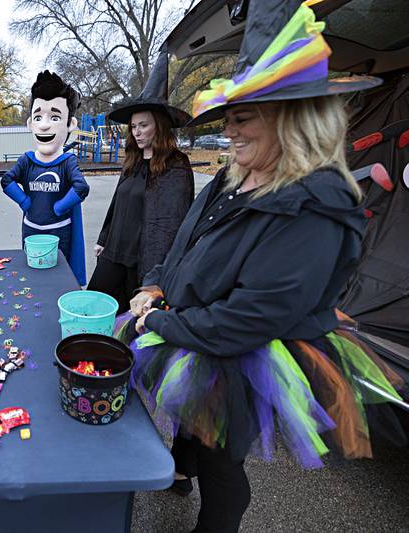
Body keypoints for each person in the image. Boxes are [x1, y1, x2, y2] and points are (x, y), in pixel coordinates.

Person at [127, 2, 406, 531]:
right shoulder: (235, 175)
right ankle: (178, 469)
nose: (229, 130)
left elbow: (251, 318)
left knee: (221, 459)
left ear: (293, 115)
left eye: (243, 116)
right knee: (193, 427)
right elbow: (189, 237)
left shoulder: (318, 204)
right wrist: (157, 283)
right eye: (229, 116)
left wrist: (160, 323)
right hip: (192, 323)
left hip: (239, 353)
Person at [88, 50, 194, 313]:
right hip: (114, 250)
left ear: (158, 126)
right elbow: (117, 201)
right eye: (134, 127)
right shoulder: (132, 160)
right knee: (93, 304)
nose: (137, 132)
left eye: (143, 125)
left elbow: (174, 222)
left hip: (143, 259)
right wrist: (103, 238)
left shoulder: (176, 165)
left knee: (129, 318)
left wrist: (159, 271)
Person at [1, 70, 89, 285]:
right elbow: (6, 181)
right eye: (38, 117)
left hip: (60, 234)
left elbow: (81, 187)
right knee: (32, 279)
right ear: (31, 123)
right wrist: (24, 202)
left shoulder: (67, 161)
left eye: (55, 117)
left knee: (59, 279)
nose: (44, 125)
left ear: (70, 124)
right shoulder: (27, 160)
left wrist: (59, 208)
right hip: (31, 231)